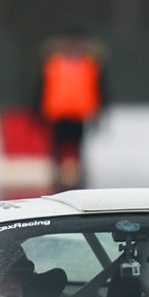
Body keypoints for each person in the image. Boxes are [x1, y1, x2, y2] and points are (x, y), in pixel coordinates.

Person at [36, 28, 108, 190]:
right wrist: (38, 112)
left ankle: (79, 176)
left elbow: (99, 89)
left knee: (78, 146)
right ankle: (57, 177)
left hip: (79, 113)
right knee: (57, 147)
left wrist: (99, 112)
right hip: (58, 112)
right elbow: (42, 87)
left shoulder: (89, 64)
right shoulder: (54, 63)